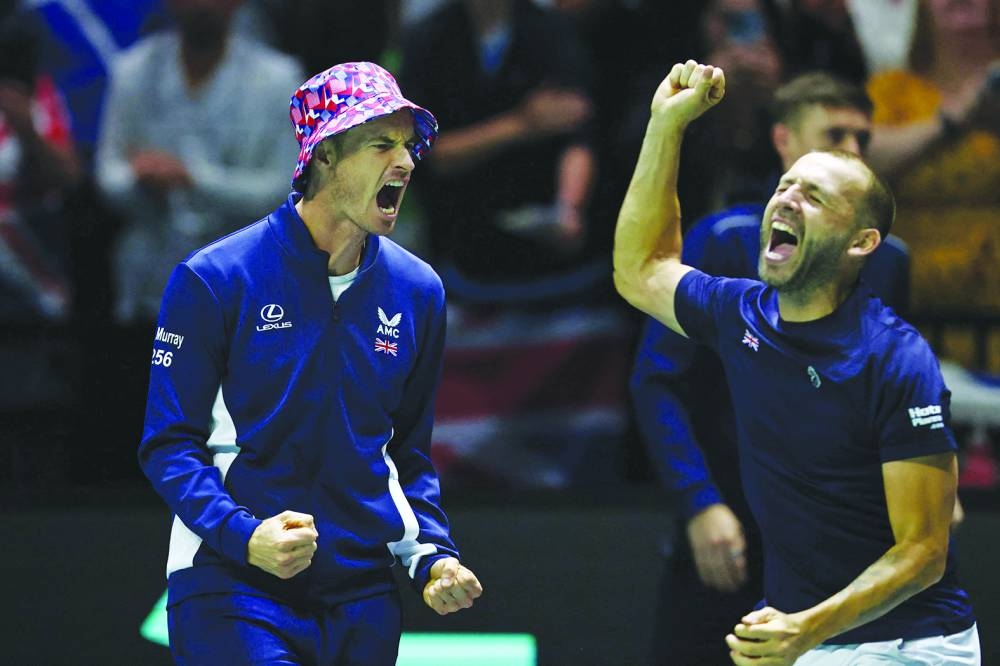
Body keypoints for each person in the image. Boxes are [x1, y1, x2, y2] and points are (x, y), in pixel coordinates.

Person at [614, 60, 978, 664]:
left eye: (814, 196)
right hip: (803, 634)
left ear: (861, 242)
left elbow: (924, 553)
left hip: (909, 645)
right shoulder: (738, 313)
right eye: (785, 186)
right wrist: (666, 125)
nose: (786, 199)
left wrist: (807, 628)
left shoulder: (895, 355)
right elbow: (640, 269)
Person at [138, 61, 483, 664]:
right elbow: (168, 445)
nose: (405, 161)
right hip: (231, 582)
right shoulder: (213, 278)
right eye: (381, 144)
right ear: (323, 155)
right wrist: (245, 535)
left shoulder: (419, 290)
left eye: (408, 145)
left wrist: (432, 555)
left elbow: (405, 454)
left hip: (363, 596)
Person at [90, 0, 305, 482]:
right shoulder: (132, 71)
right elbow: (107, 175)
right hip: (151, 276)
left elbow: (284, 189)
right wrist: (141, 178)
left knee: (238, 450)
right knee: (144, 439)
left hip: (245, 288)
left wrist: (193, 179)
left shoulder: (278, 78)